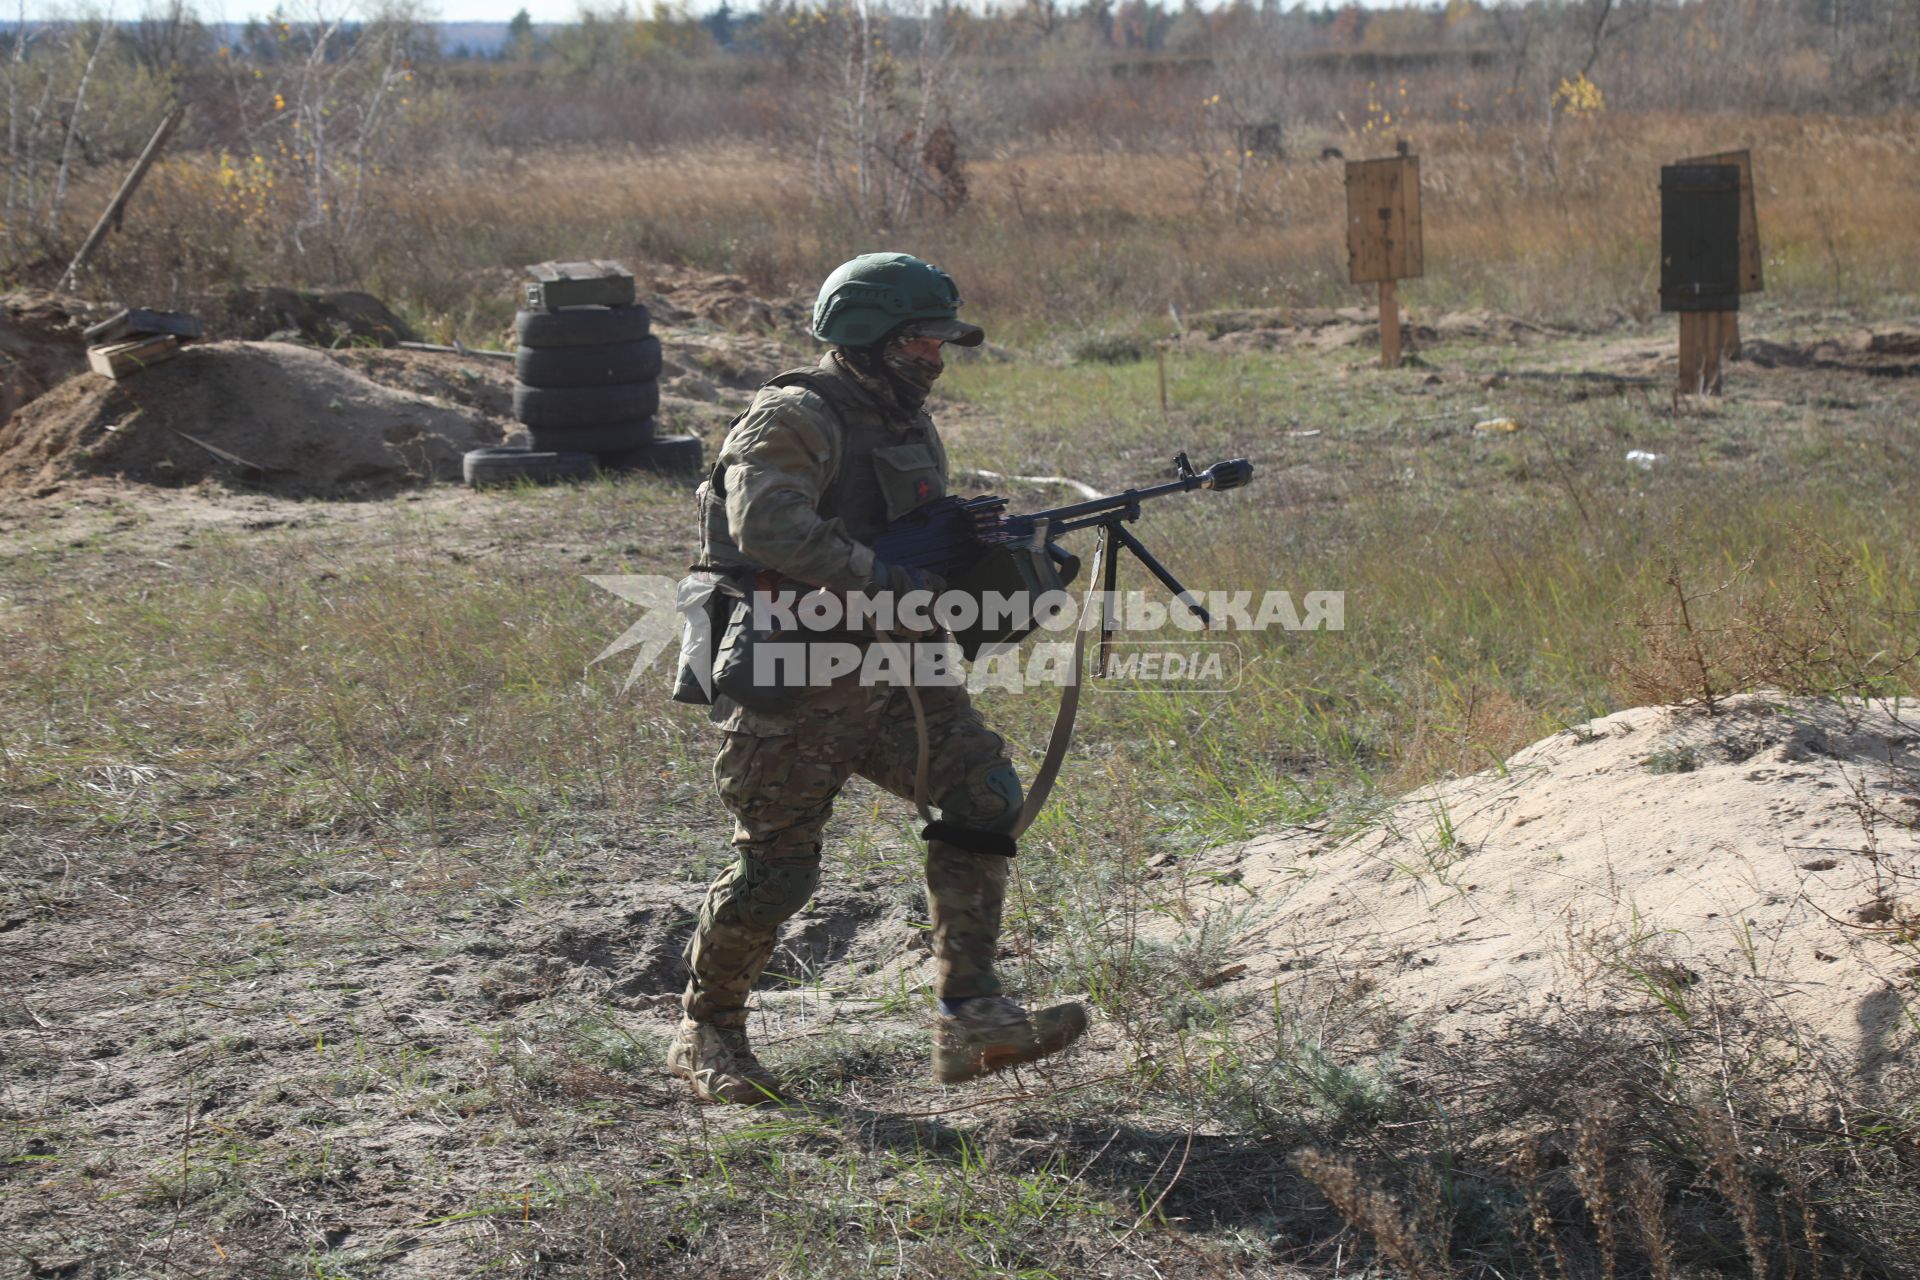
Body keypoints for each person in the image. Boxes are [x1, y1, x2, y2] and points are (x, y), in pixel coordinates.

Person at [667, 252, 1088, 1104]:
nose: (936, 360)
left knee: (982, 797)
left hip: (899, 667)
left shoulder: (900, 417)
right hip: (798, 670)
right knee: (778, 871)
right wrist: (895, 586)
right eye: (920, 343)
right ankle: (707, 1030)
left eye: (941, 342)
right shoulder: (794, 417)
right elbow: (770, 530)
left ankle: (971, 1016)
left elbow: (909, 527)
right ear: (867, 339)